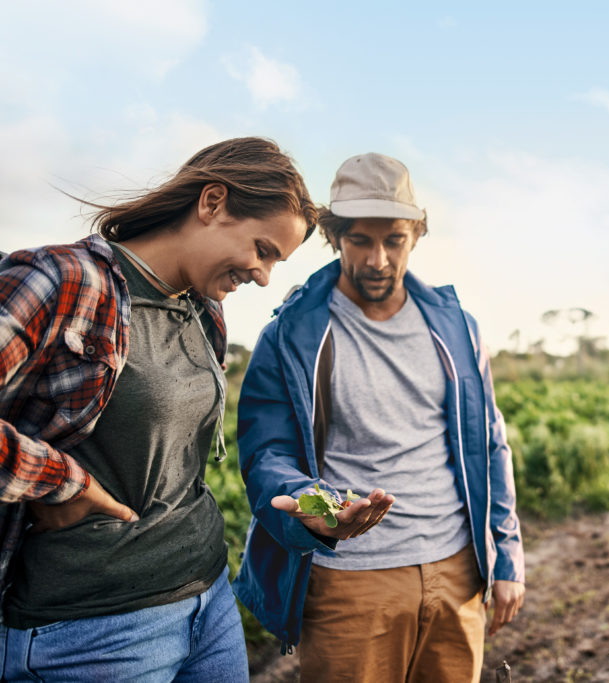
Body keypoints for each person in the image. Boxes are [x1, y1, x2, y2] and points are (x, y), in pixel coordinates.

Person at [0, 136, 318, 682]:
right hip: (88, 632)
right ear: (212, 202)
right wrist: (61, 481)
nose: (265, 275)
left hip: (208, 601)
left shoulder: (206, 313)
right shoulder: (63, 280)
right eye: (263, 249)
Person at [233, 152, 526, 681]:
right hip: (349, 581)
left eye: (393, 240)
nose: (378, 260)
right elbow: (266, 454)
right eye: (360, 240)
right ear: (334, 237)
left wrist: (504, 557)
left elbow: (490, 442)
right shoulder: (291, 334)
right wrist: (309, 504)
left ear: (415, 235)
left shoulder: (456, 326)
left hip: (457, 570)